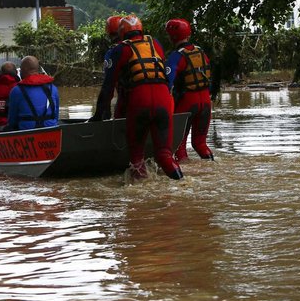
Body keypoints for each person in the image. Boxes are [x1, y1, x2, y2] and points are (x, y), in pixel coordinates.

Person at [93, 15, 183, 181]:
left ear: (121, 32)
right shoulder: (155, 44)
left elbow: (108, 87)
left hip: (139, 101)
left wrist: (99, 114)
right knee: (164, 154)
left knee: (136, 157)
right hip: (164, 100)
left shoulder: (119, 50)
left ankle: (140, 200)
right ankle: (183, 184)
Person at [165, 18, 214, 161]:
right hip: (205, 102)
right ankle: (212, 168)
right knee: (200, 143)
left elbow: (168, 83)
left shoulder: (176, 57)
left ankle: (186, 178)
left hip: (187, 102)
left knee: (179, 145)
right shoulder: (201, 52)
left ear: (172, 36)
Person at [89, 15, 129, 121]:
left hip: (127, 100)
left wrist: (101, 115)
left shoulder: (114, 52)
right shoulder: (141, 47)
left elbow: (108, 86)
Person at [7, 56, 60, 130]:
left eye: (21, 69)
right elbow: (56, 115)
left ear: (24, 69)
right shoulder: (52, 88)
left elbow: (12, 119)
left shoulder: (16, 91)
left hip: (26, 133)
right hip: (51, 130)